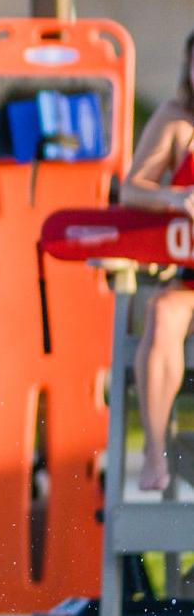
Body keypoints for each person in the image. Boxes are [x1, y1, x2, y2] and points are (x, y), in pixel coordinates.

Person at [122, 28, 194, 491]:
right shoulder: (176, 119)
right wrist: (176, 197)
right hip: (188, 273)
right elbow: (131, 189)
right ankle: (154, 453)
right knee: (161, 314)